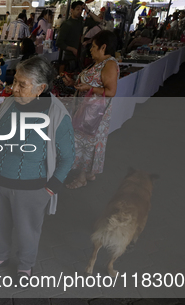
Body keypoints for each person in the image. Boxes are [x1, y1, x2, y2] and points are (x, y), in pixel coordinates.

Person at [0, 57, 75, 278]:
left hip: (31, 188)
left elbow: (68, 157)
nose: (14, 88)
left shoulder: (57, 115)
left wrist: (50, 189)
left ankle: (25, 265)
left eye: (22, 84)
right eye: (15, 81)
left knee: (26, 230)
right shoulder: (11, 102)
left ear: (40, 88)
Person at [65, 30, 118, 189]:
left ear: (103, 47)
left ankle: (81, 177)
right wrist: (73, 83)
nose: (90, 49)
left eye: (94, 46)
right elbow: (90, 82)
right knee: (85, 141)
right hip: (86, 110)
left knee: (84, 143)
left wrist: (90, 88)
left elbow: (111, 92)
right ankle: (89, 172)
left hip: (93, 113)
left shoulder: (109, 64)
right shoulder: (98, 63)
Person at [57, 1, 101, 70]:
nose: (80, 11)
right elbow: (59, 43)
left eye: (81, 9)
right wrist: (73, 49)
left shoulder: (81, 21)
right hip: (68, 58)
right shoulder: (67, 24)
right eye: (78, 9)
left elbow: (98, 21)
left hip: (79, 57)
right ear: (72, 10)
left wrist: (88, 11)